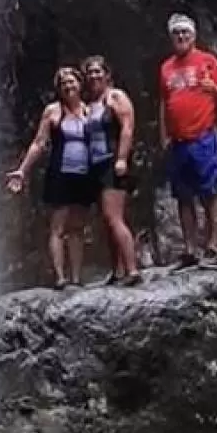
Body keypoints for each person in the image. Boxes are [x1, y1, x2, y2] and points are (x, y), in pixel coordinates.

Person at [6, 66, 93, 288]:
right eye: (63, 83)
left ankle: (76, 278)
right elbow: (39, 143)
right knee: (58, 226)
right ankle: (60, 277)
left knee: (77, 227)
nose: (68, 86)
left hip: (83, 175)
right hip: (60, 174)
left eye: (71, 81)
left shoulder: (89, 111)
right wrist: (23, 170)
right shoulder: (53, 111)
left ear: (80, 84)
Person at [159, 13, 217, 268]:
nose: (181, 37)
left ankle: (213, 248)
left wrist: (213, 89)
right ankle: (190, 250)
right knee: (183, 196)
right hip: (178, 141)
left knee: (212, 192)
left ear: (193, 36)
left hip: (203, 137)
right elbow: (164, 102)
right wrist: (163, 134)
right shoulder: (166, 67)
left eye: (185, 33)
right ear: (171, 37)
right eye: (176, 33)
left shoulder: (206, 61)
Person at [82, 55, 141, 284]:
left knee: (114, 217)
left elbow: (127, 128)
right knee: (107, 221)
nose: (94, 76)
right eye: (90, 73)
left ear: (107, 74)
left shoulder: (115, 97)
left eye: (98, 71)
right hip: (96, 165)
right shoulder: (90, 105)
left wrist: (122, 159)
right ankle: (117, 271)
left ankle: (133, 270)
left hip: (113, 161)